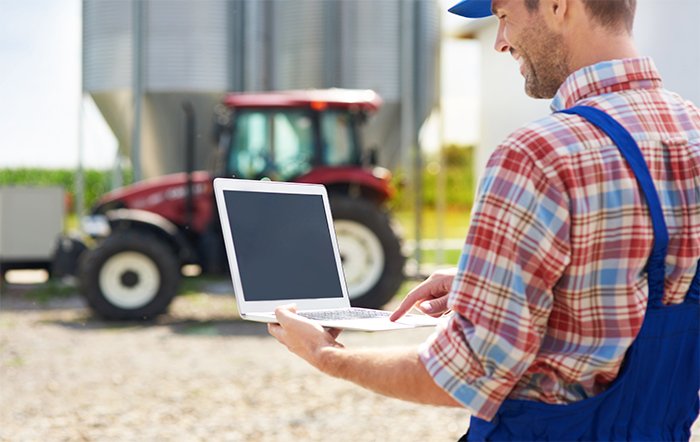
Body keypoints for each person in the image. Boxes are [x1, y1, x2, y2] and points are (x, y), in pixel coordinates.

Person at [268, 0, 700, 439]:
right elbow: (647, 280)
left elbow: (468, 372)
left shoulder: (538, 156)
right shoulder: (692, 131)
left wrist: (327, 354)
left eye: (503, 15)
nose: (499, 42)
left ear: (557, 6)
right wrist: (491, 283)